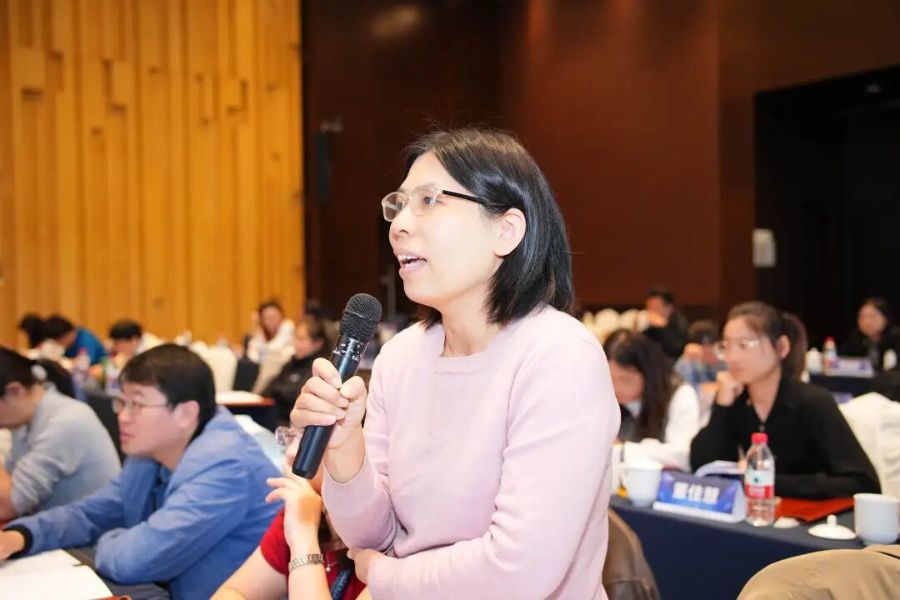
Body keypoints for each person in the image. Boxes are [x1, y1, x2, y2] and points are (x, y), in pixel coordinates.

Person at [291, 128, 620, 598]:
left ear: (505, 230)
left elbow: (520, 572)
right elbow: (371, 536)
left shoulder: (559, 357)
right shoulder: (401, 357)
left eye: (428, 200)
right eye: (398, 205)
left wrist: (385, 577)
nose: (399, 225)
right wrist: (345, 447)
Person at [0, 344, 281, 599]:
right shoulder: (150, 453)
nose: (122, 417)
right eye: (121, 403)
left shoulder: (225, 465)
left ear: (185, 413)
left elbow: (138, 559)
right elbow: (91, 513)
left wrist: (106, 540)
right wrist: (22, 536)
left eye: (137, 405)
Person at [690, 302, 879, 499]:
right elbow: (706, 470)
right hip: (758, 513)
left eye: (744, 345)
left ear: (781, 347)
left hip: (810, 515)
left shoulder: (812, 402)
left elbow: (864, 483)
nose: (732, 357)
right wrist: (722, 407)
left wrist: (769, 482)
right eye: (726, 346)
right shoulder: (737, 400)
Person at [212, 436, 366, 599]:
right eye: (291, 436)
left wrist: (303, 536)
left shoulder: (385, 551)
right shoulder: (302, 510)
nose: (291, 452)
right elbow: (234, 592)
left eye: (308, 434)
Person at [0, 348, 120, 521]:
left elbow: (7, 506)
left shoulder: (66, 422)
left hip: (89, 536)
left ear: (15, 391)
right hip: (52, 528)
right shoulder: (23, 419)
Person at [605, 330, 700, 471]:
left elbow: (683, 454)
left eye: (625, 380)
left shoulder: (679, 394)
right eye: (609, 379)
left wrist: (623, 450)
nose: (615, 388)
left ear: (647, 372)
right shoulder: (604, 397)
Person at [262, 315, 332, 424]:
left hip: (295, 424)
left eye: (301, 339)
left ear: (318, 343)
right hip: (274, 419)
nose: (296, 343)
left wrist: (278, 393)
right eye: (295, 337)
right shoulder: (291, 364)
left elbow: (297, 396)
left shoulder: (321, 368)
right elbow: (266, 391)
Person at [841, 298, 900, 371]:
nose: (867, 322)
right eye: (862, 317)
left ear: (885, 318)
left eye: (872, 317)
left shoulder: (897, 339)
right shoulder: (854, 341)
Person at [642, 287, 689, 360]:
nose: (651, 311)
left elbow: (677, 349)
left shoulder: (679, 322)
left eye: (656, 307)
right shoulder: (647, 323)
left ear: (669, 307)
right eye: (649, 307)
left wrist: (662, 327)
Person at [43, 314, 107, 365]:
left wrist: (64, 362)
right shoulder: (69, 343)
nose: (59, 344)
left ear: (67, 335)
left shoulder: (85, 339)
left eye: (59, 341)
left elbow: (86, 362)